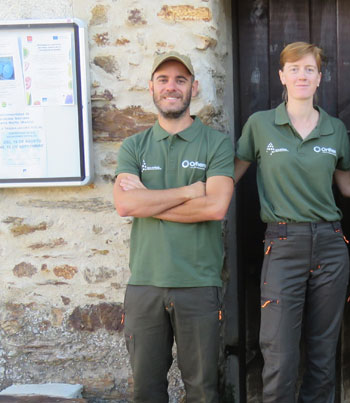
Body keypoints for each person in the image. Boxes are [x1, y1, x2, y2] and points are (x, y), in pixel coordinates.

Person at [233, 42, 350, 402]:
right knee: (280, 350)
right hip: (283, 244)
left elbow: (348, 186)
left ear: (320, 77)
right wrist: (185, 192)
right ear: (281, 75)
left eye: (310, 69)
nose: (303, 75)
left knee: (322, 349)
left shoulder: (335, 129)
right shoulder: (260, 125)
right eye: (295, 68)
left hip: (331, 246)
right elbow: (229, 177)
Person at [113, 51, 235, 402]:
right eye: (164, 80)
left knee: (203, 391)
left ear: (194, 88)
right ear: (151, 87)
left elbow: (215, 207)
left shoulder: (215, 144)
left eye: (180, 80)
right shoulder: (134, 146)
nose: (172, 87)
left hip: (198, 284)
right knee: (147, 391)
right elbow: (125, 204)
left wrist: (149, 201)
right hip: (145, 285)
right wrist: (187, 192)